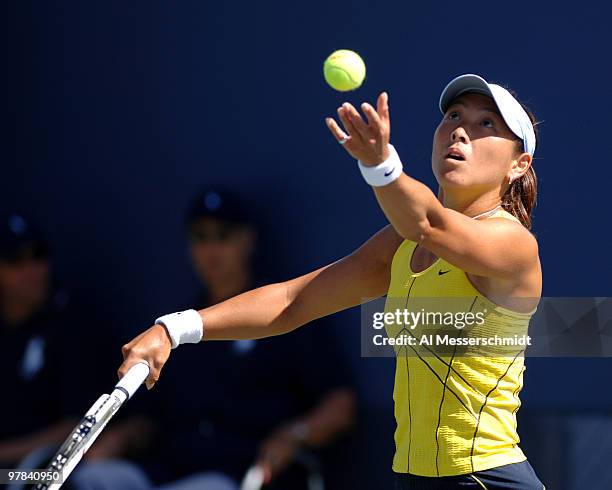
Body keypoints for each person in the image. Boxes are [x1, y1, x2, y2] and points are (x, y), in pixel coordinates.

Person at [119, 73, 544, 489]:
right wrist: (173, 329)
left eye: (486, 123)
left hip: (487, 479)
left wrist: (381, 166)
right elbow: (293, 302)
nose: (460, 132)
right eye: (453, 116)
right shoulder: (401, 243)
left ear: (518, 164)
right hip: (412, 479)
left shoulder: (513, 246)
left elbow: (428, 223)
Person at [144, 189, 355, 489]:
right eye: (201, 237)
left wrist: (293, 434)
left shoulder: (287, 312)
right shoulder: (178, 323)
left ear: (248, 239)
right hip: (168, 470)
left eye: (223, 235)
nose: (212, 249)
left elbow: (339, 405)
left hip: (243, 475)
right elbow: (148, 418)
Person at [0, 211, 152, 490]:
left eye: (38, 255)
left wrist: (3, 456)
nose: (31, 269)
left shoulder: (73, 322)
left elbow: (79, 424)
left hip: (51, 471)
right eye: (15, 260)